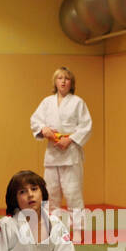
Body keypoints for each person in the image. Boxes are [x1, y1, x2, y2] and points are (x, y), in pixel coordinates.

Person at [29, 67, 92, 222]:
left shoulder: (78, 102)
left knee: (73, 193)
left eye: (67, 78)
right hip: (52, 154)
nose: (63, 81)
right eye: (60, 78)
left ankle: (77, 229)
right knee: (50, 193)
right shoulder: (47, 102)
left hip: (71, 154)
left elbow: (86, 126)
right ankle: (51, 226)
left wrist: (70, 139)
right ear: (55, 82)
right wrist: (44, 129)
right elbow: (35, 120)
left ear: (72, 83)